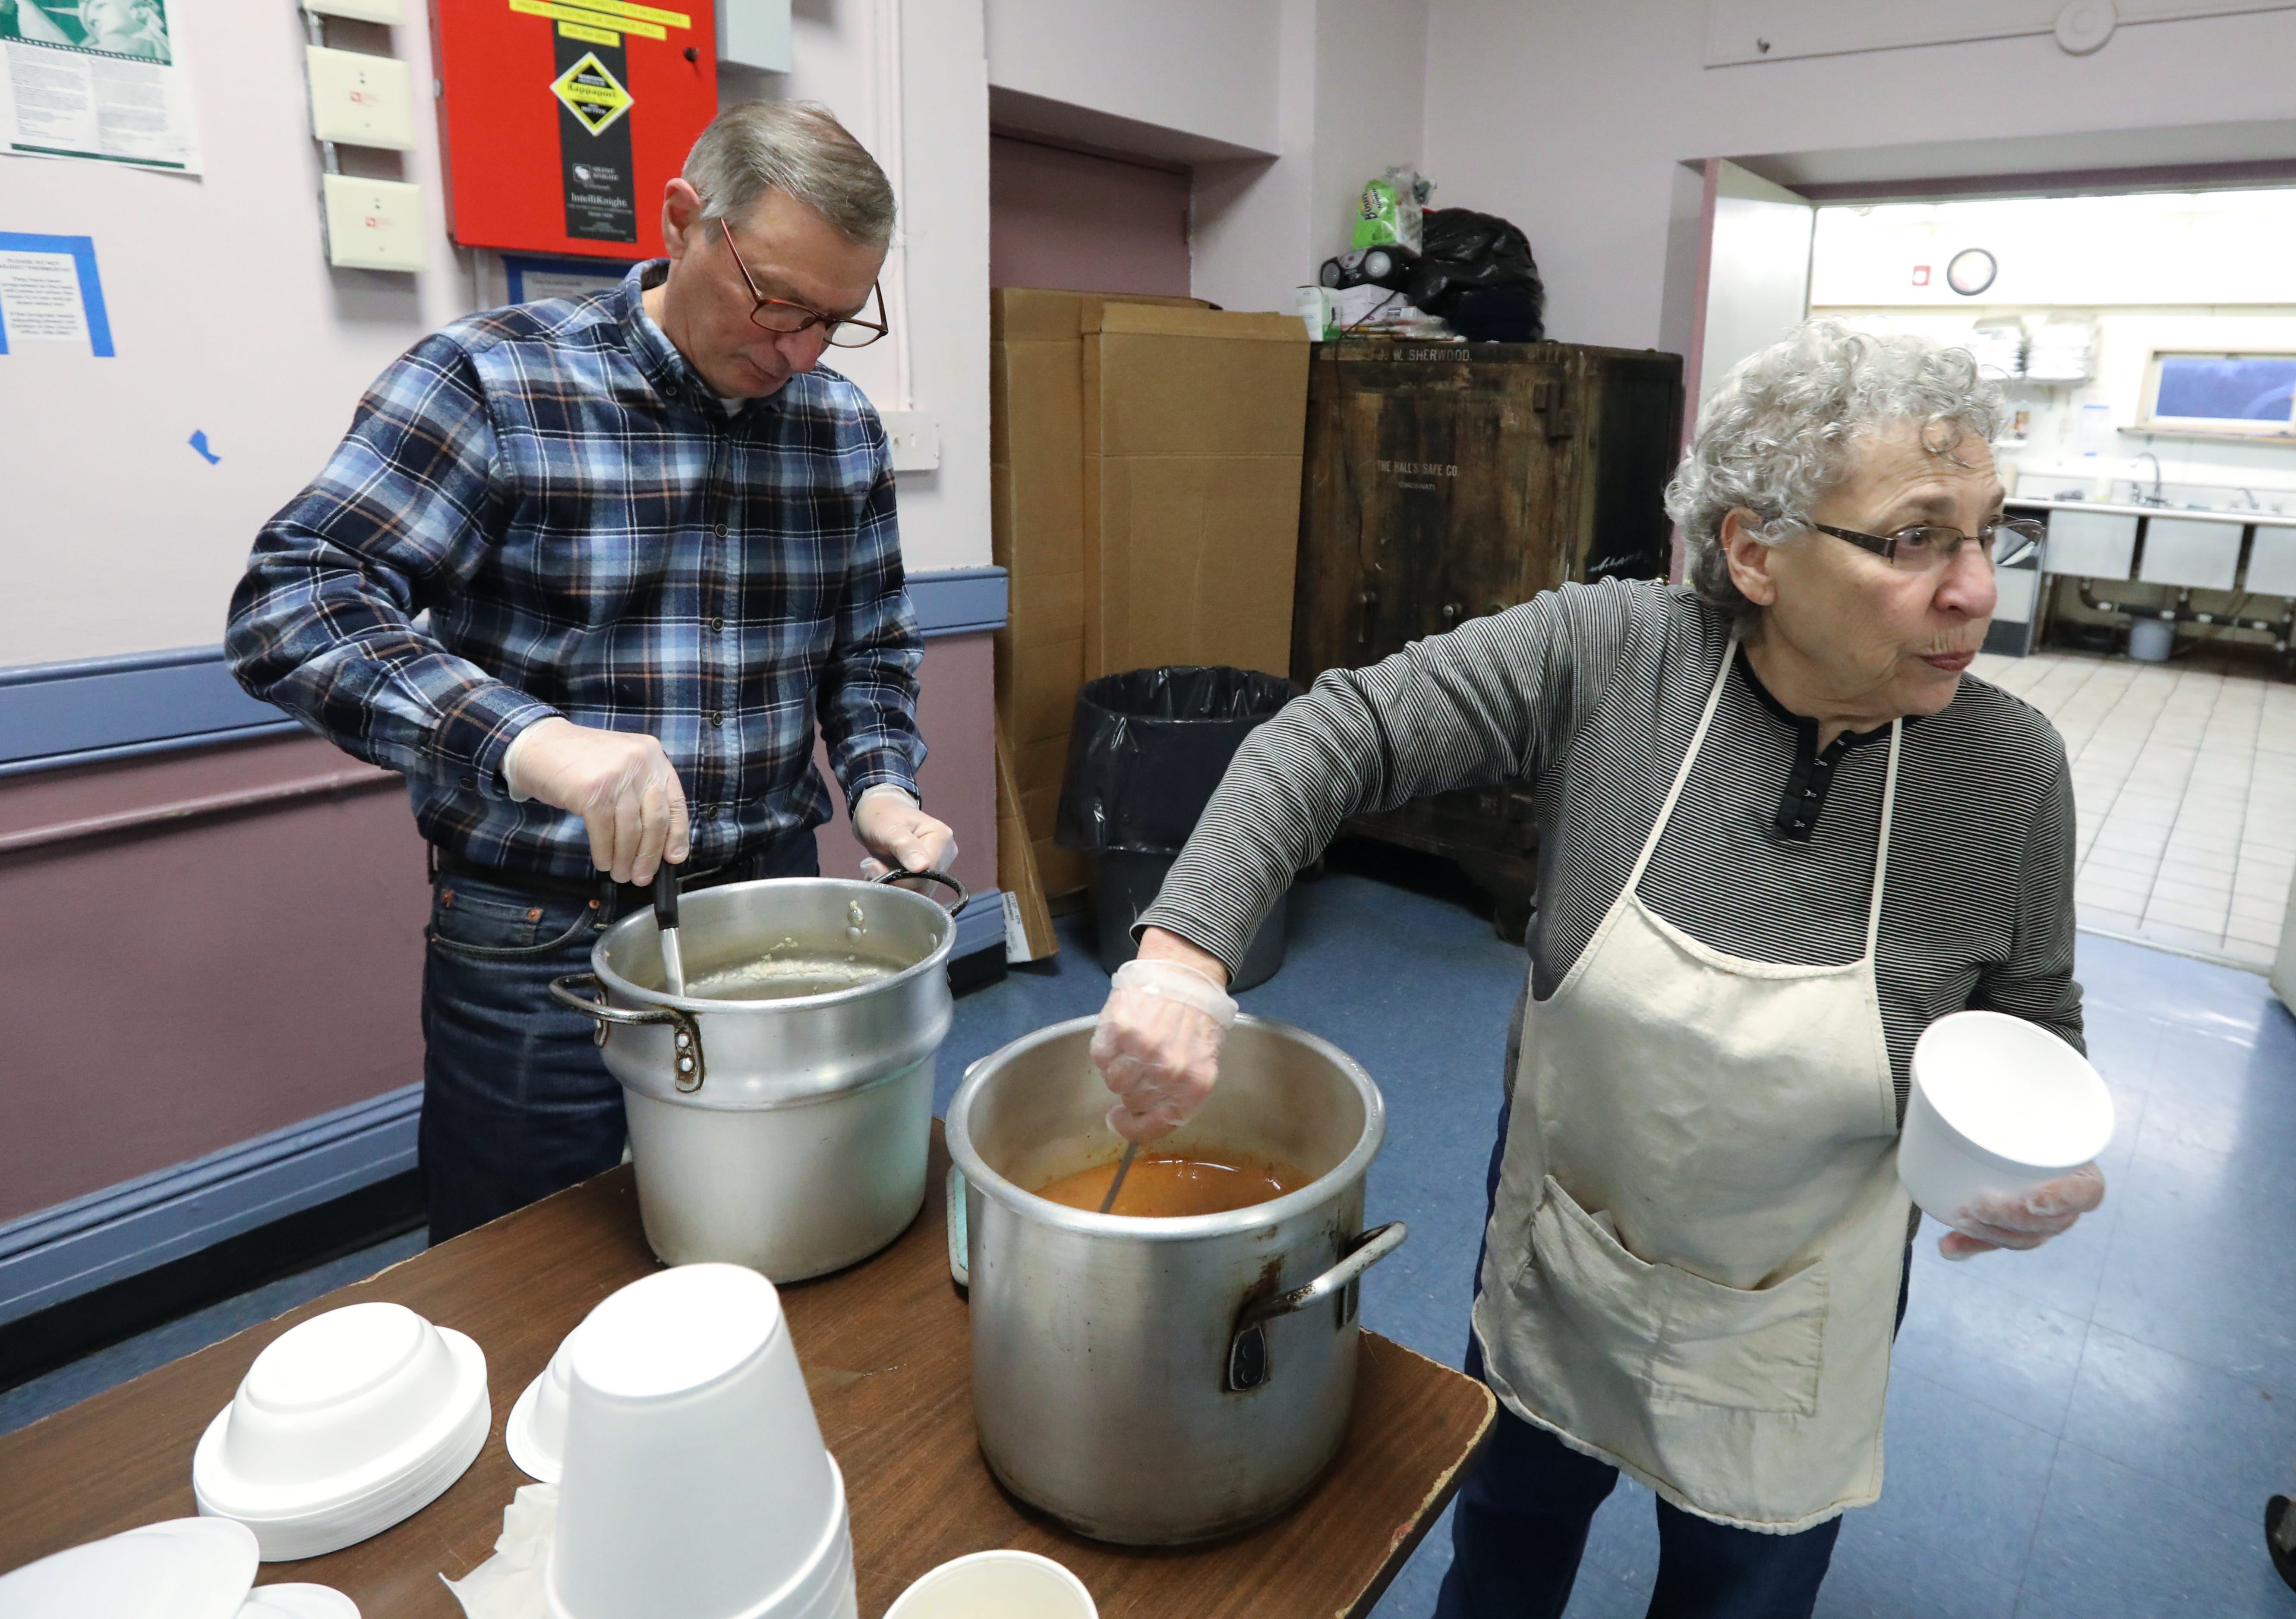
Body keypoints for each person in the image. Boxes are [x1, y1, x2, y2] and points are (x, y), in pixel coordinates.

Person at [1088, 322, 2107, 1618]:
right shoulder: (1614, 659)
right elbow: (1338, 732)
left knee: (1741, 1585)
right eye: (1916, 539)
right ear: (1755, 552)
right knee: (1507, 1537)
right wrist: (1182, 957)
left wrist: (2042, 1163)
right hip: (1565, 1249)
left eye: (1990, 532)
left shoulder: (2008, 773)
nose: (1977, 591)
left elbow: (2035, 1021)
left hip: (1794, 1315)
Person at [227, 101, 955, 1244]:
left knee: (785, 1229)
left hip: (769, 894)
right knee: (527, 1264)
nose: (801, 354)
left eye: (836, 320)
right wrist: (534, 744)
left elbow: (867, 650)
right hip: (538, 928)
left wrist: (883, 788)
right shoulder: (492, 381)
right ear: (684, 220)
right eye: (777, 303)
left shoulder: (837, 430)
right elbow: (293, 605)